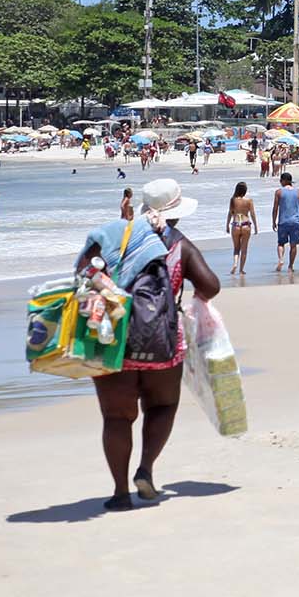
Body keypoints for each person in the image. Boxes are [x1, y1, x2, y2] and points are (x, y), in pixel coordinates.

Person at [78, 179, 220, 511]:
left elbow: (83, 276)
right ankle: (145, 470)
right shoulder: (177, 244)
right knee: (162, 407)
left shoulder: (114, 237)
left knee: (116, 418)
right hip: (162, 341)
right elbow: (210, 286)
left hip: (111, 340)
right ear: (176, 213)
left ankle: (119, 493)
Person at [272, 171, 299, 272]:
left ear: (284, 181)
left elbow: (275, 208)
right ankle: (290, 266)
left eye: (281, 180)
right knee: (293, 245)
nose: (280, 182)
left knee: (281, 243)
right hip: (295, 222)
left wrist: (273, 221)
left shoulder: (279, 192)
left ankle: (281, 259)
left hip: (283, 222)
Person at [226, 182, 257, 276]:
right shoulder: (249, 200)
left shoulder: (233, 200)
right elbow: (252, 214)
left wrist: (227, 225)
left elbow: (230, 213)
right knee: (244, 249)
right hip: (246, 224)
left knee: (236, 248)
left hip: (235, 224)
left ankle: (235, 264)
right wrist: (255, 226)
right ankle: (241, 269)